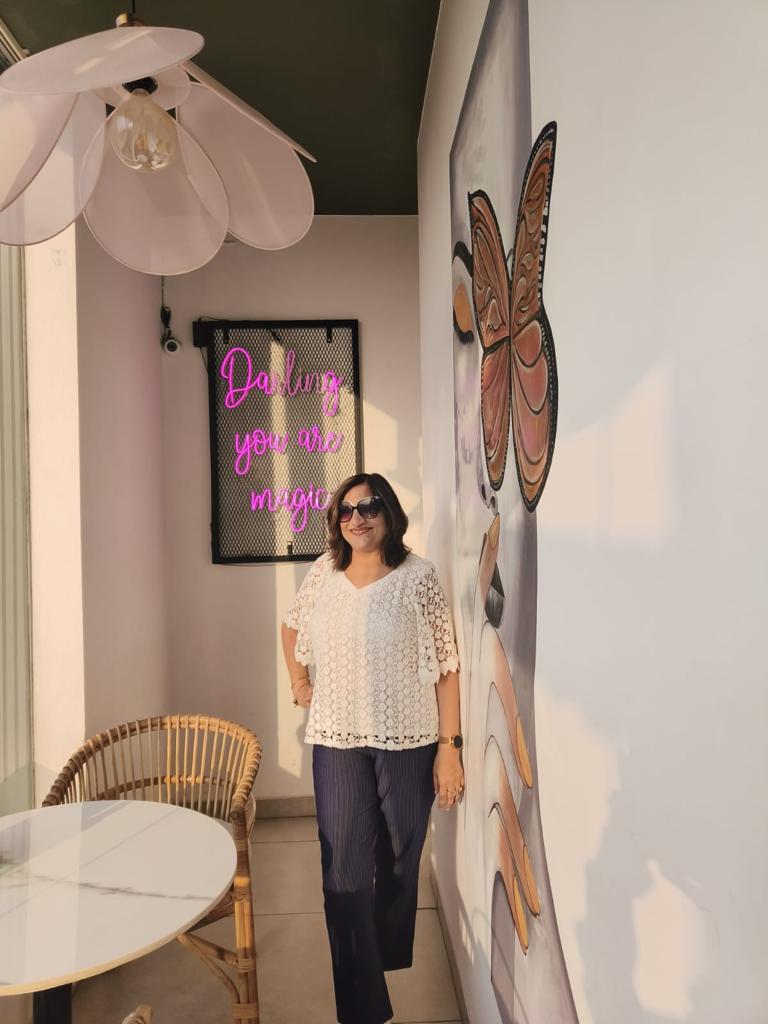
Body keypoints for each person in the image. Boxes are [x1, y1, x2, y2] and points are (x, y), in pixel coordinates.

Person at [280, 471, 464, 1024]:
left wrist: (449, 747)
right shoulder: (323, 573)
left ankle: (384, 947)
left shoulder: (418, 578)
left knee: (405, 849)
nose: (357, 517)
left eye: (369, 506)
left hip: (408, 738)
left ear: (389, 514)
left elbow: (447, 664)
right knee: (343, 866)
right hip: (337, 739)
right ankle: (362, 1002)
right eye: (346, 510)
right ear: (337, 521)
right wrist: (299, 682)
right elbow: (291, 629)